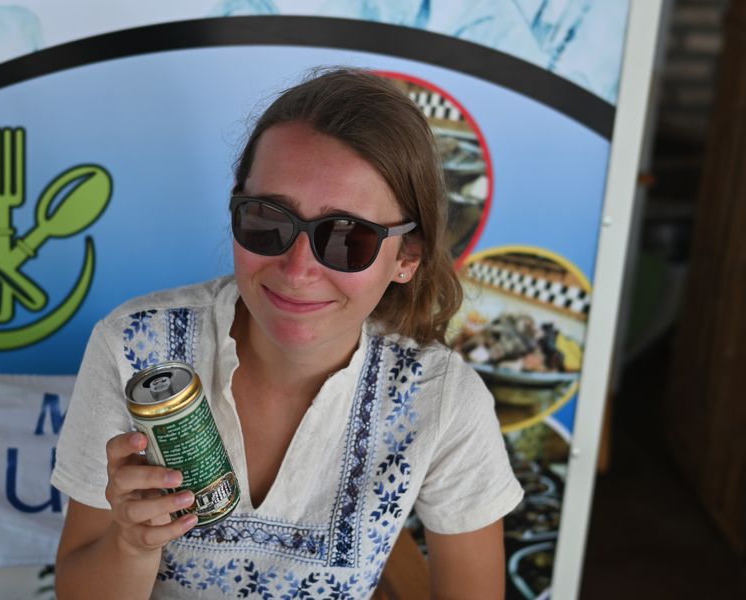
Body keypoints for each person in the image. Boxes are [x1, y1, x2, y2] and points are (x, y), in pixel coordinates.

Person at [51, 67, 523, 599]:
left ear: (406, 257)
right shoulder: (134, 346)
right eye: (268, 220)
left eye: (348, 238)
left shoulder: (443, 401)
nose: (297, 270)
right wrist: (131, 546)